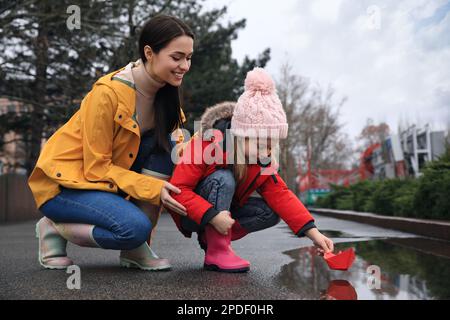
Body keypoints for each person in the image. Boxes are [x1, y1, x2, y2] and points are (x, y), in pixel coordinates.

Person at [28, 15, 192, 271]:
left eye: (189, 58)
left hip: (105, 185)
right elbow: (96, 167)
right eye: (177, 57)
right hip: (65, 185)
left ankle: (136, 250)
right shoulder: (107, 94)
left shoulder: (167, 97)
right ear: (149, 53)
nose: (184, 66)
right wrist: (152, 187)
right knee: (133, 228)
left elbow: (174, 146)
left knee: (166, 149)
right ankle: (53, 226)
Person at [168, 67, 334, 273]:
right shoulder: (207, 143)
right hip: (192, 214)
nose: (267, 151)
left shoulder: (261, 160)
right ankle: (217, 250)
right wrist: (212, 217)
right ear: (241, 135)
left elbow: (281, 195)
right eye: (261, 144)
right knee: (223, 178)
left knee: (271, 211)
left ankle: (212, 238)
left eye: (271, 145)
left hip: (221, 213)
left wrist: (314, 234)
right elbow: (178, 191)